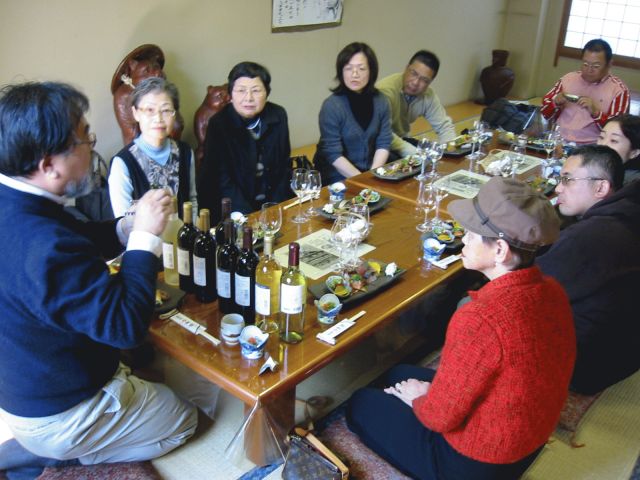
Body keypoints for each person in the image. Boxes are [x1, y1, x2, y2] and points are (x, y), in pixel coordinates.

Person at [0, 82, 197, 478]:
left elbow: (73, 237)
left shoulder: (20, 204)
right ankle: (60, 455)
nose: (93, 148)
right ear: (49, 165)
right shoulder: (45, 245)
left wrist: (124, 228)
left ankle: (48, 443)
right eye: (85, 139)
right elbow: (125, 328)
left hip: (25, 384)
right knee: (185, 419)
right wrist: (144, 238)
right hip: (61, 409)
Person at [347, 177, 575, 480]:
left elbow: (438, 418)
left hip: (479, 461)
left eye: (472, 234)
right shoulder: (550, 288)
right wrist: (425, 392)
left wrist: (420, 398)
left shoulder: (480, 318)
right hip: (526, 436)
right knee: (398, 374)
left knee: (360, 403)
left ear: (500, 250)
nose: (463, 240)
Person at [536, 145, 640, 395]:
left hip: (586, 365)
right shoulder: (628, 210)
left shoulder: (591, 235)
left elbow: (526, 292)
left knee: (470, 305)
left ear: (601, 188)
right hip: (622, 351)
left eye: (567, 180)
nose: (558, 188)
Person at [198, 61, 292, 224]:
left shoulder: (278, 115)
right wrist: (250, 218)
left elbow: (284, 166)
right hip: (233, 209)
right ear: (231, 94)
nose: (248, 98)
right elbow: (222, 179)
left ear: (267, 93)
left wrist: (275, 208)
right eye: (241, 91)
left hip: (271, 205)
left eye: (256, 90)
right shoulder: (219, 124)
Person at [108, 77, 197, 218]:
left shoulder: (185, 153)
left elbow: (192, 201)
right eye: (150, 110)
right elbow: (122, 220)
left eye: (166, 110)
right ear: (136, 113)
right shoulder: (123, 163)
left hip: (183, 232)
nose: (158, 119)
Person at [313, 42, 391, 184]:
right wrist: (363, 181)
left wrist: (373, 176)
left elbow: (383, 143)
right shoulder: (332, 106)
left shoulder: (381, 101)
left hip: (371, 171)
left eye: (361, 68)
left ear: (371, 71)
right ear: (341, 72)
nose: (354, 74)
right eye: (348, 68)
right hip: (336, 174)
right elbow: (333, 154)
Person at [541, 39, 630, 144]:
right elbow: (544, 113)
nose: (589, 70)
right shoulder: (568, 79)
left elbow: (619, 130)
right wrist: (554, 103)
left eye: (596, 66)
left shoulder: (618, 90)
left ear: (609, 64)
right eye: (585, 64)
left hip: (592, 147)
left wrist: (596, 112)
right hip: (558, 141)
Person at [377, 50, 456, 158]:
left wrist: (451, 150)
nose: (415, 82)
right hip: (378, 142)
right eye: (413, 74)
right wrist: (410, 151)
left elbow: (444, 127)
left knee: (433, 152)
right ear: (406, 68)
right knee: (414, 161)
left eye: (424, 80)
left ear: (430, 82)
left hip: (402, 139)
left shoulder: (428, 96)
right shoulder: (385, 91)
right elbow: (381, 131)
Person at [597, 113, 640, 185]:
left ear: (634, 153)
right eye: (601, 137)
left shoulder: (633, 185)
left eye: (614, 140)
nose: (603, 144)